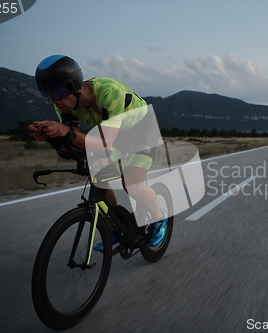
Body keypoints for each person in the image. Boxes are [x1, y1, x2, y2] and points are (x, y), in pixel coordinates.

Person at [29, 55, 167, 248]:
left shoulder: (110, 92)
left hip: (142, 130)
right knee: (97, 180)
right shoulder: (64, 106)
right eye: (48, 95)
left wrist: (66, 132)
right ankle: (115, 229)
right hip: (112, 134)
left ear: (76, 86)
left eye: (58, 91)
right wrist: (52, 137)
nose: (54, 100)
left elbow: (103, 144)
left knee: (132, 182)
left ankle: (159, 218)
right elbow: (73, 144)